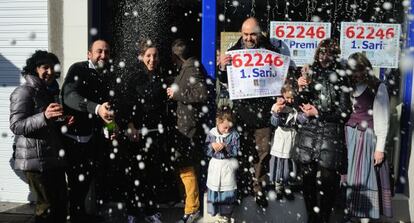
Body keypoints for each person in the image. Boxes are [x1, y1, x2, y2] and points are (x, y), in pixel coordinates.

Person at [217, 17, 277, 207]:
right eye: (246, 34)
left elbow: (279, 78)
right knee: (241, 153)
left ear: (259, 33)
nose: (249, 38)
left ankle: (258, 189)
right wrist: (221, 67)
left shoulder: (271, 52)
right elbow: (225, 80)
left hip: (264, 114)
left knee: (262, 155)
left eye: (252, 34)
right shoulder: (234, 52)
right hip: (242, 114)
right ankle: (242, 187)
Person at [293, 39, 352, 223]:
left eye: (328, 52)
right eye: (321, 52)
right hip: (309, 133)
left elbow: (344, 111)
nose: (324, 56)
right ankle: (312, 217)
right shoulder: (309, 72)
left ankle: (324, 217)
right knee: (307, 179)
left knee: (329, 180)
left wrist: (319, 112)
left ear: (334, 55)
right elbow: (299, 104)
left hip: (330, 133)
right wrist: (301, 88)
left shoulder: (341, 76)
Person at [9, 50, 67, 223]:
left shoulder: (48, 91)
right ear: (35, 69)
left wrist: (62, 121)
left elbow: (47, 126)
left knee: (61, 205)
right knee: (46, 210)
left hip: (52, 158)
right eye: (45, 67)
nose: (49, 72)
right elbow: (16, 126)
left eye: (52, 68)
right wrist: (45, 116)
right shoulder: (23, 92)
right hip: (36, 162)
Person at [113, 40, 167, 223]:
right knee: (134, 175)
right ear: (141, 57)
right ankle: (132, 212)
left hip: (153, 134)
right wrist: (129, 126)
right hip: (135, 135)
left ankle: (151, 211)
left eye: (155, 55)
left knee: (151, 175)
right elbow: (124, 103)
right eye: (148, 56)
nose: (152, 59)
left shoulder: (160, 76)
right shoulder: (134, 77)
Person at [61, 39, 113, 222]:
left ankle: (80, 215)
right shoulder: (78, 69)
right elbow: (70, 96)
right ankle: (74, 217)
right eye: (99, 51)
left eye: (106, 52)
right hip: (72, 139)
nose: (103, 55)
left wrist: (111, 128)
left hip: (92, 140)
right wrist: (96, 108)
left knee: (85, 181)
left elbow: (109, 109)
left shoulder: (107, 74)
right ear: (89, 54)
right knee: (75, 183)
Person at [344, 52, 392, 222]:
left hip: (366, 140)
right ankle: (351, 214)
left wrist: (379, 149)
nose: (355, 74)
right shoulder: (348, 86)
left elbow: (383, 121)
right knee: (350, 177)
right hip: (349, 138)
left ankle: (365, 216)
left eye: (358, 70)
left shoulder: (378, 87)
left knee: (364, 177)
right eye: (352, 71)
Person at [167, 38, 208, 223]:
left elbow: (201, 94)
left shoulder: (191, 68)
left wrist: (176, 94)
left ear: (176, 56)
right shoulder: (186, 69)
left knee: (186, 166)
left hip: (188, 126)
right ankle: (188, 205)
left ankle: (192, 208)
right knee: (182, 166)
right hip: (183, 125)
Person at [205, 106, 239, 222]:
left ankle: (226, 216)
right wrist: (212, 146)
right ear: (218, 122)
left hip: (227, 166)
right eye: (225, 127)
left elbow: (236, 151)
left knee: (226, 191)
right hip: (215, 166)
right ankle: (219, 215)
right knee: (216, 189)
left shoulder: (233, 135)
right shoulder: (212, 134)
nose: (227, 130)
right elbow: (206, 149)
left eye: (229, 128)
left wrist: (226, 147)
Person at [269, 84, 298, 200]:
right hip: (280, 137)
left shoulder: (295, 108)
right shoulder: (276, 106)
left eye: (292, 98)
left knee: (289, 164)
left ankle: (288, 185)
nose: (290, 100)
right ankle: (278, 186)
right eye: (288, 98)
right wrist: (277, 113)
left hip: (291, 138)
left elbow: (299, 120)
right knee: (279, 163)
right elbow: (274, 122)